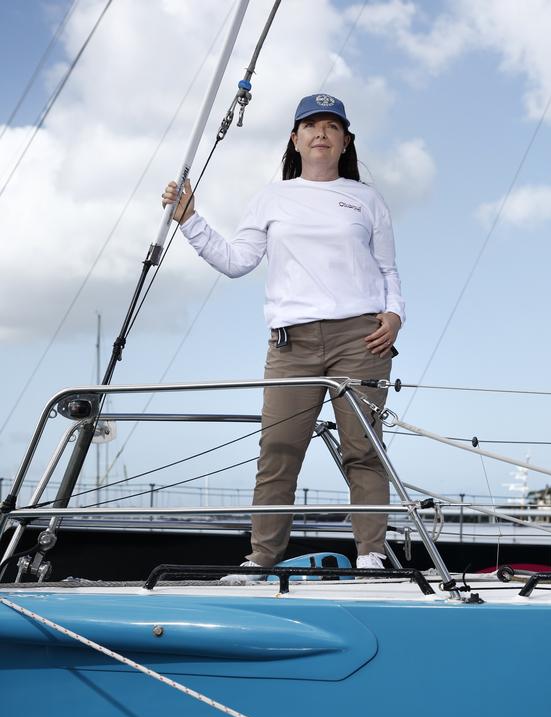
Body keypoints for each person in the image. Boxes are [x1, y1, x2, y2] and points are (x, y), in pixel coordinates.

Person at [162, 93, 404, 573]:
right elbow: (236, 261)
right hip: (290, 344)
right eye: (310, 125)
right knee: (278, 451)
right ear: (295, 139)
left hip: (360, 340)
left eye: (331, 126)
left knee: (363, 449)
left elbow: (389, 270)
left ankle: (372, 555)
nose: (321, 133)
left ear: (345, 140)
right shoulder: (271, 197)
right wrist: (189, 220)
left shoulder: (367, 199)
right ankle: (261, 559)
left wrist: (395, 315)